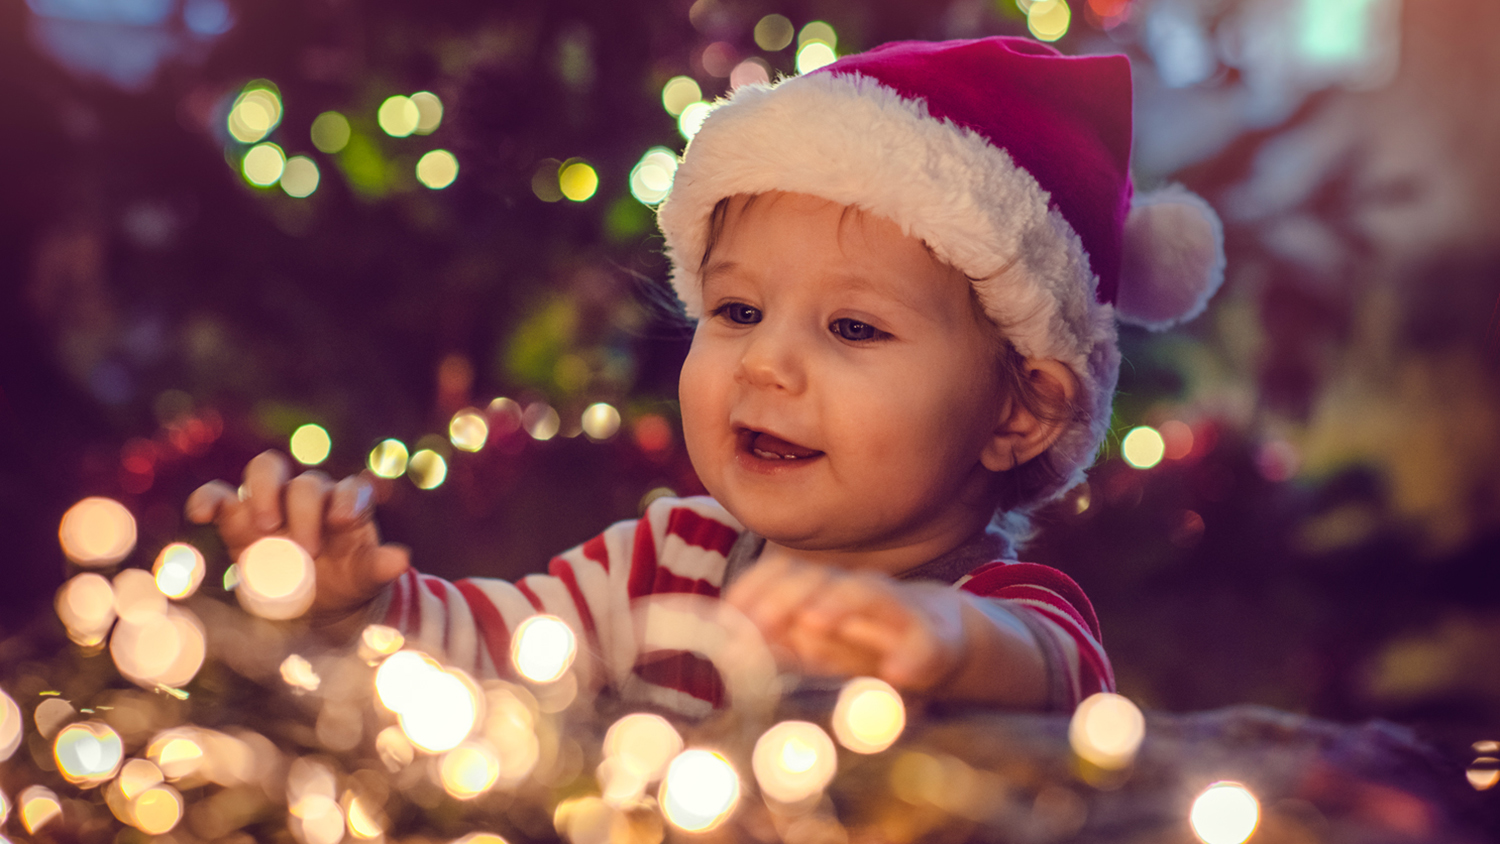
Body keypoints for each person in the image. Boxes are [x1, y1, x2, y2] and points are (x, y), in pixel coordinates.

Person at [187, 37, 1223, 716]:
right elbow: (490, 655)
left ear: (1021, 410)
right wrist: (350, 606)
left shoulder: (1009, 604)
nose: (765, 361)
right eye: (735, 311)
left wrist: (944, 638)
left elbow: (1042, 667)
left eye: (854, 327)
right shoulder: (665, 561)